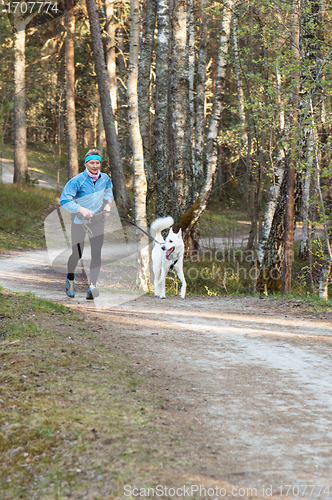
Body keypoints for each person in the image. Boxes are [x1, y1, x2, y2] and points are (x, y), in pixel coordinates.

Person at [60, 149, 112, 300]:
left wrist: (107, 204)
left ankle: (92, 286)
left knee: (96, 253)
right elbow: (65, 200)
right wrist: (81, 209)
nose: (95, 166)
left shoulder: (105, 178)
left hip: (97, 220)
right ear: (86, 163)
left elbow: (109, 190)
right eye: (92, 163)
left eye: (97, 163)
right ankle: (70, 280)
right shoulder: (77, 180)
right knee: (77, 253)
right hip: (79, 221)